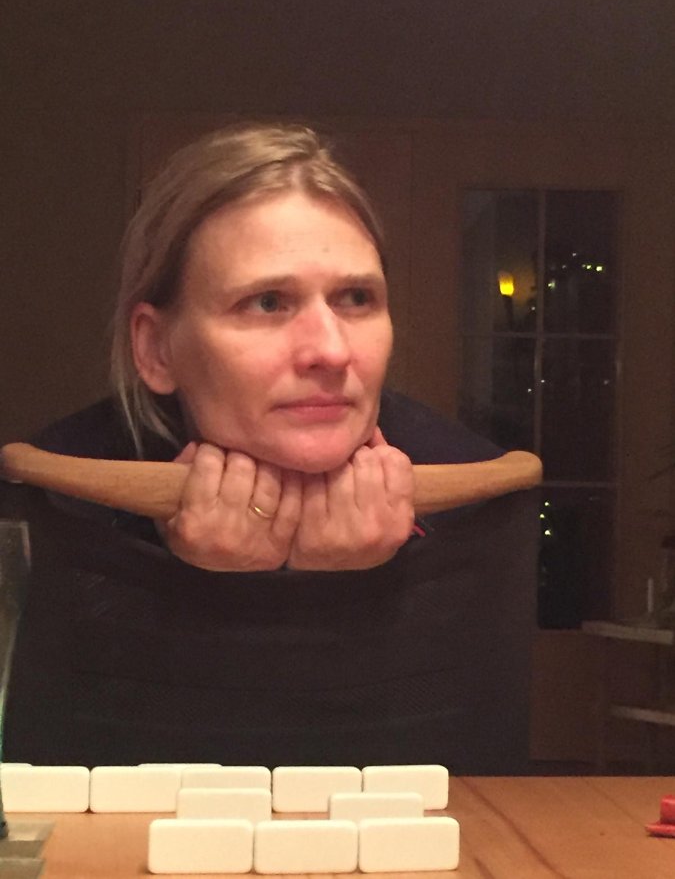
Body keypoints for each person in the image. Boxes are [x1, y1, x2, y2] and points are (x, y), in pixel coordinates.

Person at [2, 123, 538, 772]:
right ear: (156, 348)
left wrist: (354, 596)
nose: (331, 350)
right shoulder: (49, 507)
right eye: (266, 302)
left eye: (357, 299)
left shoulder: (476, 498)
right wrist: (196, 593)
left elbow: (476, 789)